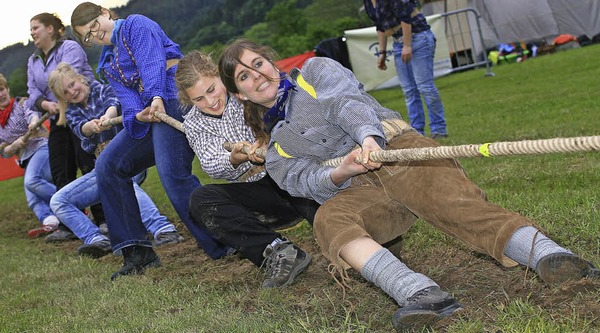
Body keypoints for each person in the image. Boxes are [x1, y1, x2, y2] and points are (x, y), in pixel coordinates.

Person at [218, 39, 600, 332]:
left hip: (399, 150)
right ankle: (419, 293)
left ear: (271, 62)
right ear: (240, 94)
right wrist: (342, 172)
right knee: (329, 222)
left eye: (259, 64)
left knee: (455, 206)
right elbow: (303, 181)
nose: (258, 75)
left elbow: (345, 103)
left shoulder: (314, 72)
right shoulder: (276, 147)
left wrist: (368, 138)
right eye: (245, 76)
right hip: (358, 186)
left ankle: (551, 257)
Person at [70, 2, 231, 280]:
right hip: (151, 113)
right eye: (86, 36)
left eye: (94, 26)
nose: (94, 36)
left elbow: (152, 63)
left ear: (105, 13)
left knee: (172, 175)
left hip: (172, 97)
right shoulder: (107, 64)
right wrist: (139, 116)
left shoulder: (136, 25)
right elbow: (129, 102)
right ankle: (137, 251)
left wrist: (155, 96)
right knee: (108, 164)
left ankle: (224, 240)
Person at [176, 51, 319, 288]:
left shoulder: (245, 90)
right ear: (189, 101)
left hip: (292, 175)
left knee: (328, 220)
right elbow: (211, 163)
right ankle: (277, 251)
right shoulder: (193, 123)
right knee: (201, 200)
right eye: (199, 99)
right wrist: (235, 157)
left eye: (212, 89)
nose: (210, 102)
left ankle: (348, 237)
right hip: (260, 195)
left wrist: (267, 140)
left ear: (220, 77)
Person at [48, 62, 185, 258]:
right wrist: (91, 126)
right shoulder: (71, 111)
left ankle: (163, 229)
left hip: (129, 160)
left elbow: (113, 104)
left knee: (122, 178)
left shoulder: (104, 89)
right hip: (102, 169)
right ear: (62, 98)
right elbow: (81, 129)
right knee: (58, 201)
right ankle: (97, 240)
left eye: (72, 84)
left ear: (79, 79)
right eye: (65, 92)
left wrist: (107, 116)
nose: (72, 92)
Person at [26, 12, 105, 242]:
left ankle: (103, 220)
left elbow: (67, 80)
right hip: (58, 119)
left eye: (35, 27)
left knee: (88, 164)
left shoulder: (69, 48)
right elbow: (32, 92)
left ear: (50, 29)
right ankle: (71, 224)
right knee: (61, 168)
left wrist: (55, 100)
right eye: (30, 29)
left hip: (82, 112)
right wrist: (44, 103)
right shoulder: (33, 60)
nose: (31, 33)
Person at [0, 72, 59, 237]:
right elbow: (3, 151)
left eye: (1, 89)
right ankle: (51, 221)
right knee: (32, 199)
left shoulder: (22, 104)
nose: (0, 94)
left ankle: (71, 203)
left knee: (31, 181)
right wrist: (13, 146)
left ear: (7, 89)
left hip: (41, 148)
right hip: (25, 158)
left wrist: (33, 122)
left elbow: (33, 115)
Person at [364, 0, 448, 139]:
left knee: (425, 86)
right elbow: (380, 27)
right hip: (398, 42)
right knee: (409, 91)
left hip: (418, 37)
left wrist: (407, 46)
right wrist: (382, 53)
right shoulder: (368, 2)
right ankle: (417, 132)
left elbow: (405, 18)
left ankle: (439, 129)